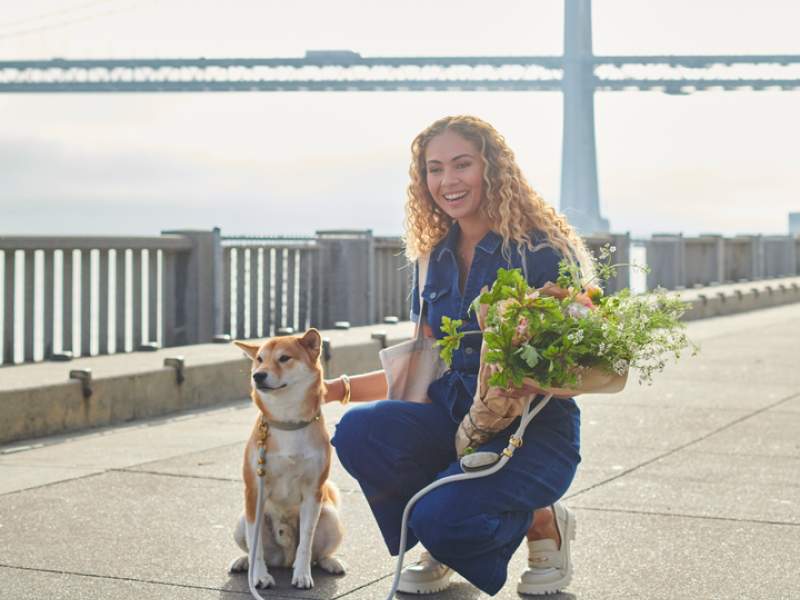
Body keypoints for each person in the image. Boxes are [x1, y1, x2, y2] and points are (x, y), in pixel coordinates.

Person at [324, 115, 594, 596]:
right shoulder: (433, 257)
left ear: (493, 168)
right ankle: (443, 531)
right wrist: (334, 390)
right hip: (453, 415)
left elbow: (587, 360)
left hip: (531, 430)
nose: (447, 181)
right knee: (361, 432)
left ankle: (541, 520)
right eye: (434, 169)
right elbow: (424, 362)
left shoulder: (543, 249)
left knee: (440, 516)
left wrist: (528, 373)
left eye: (462, 164)